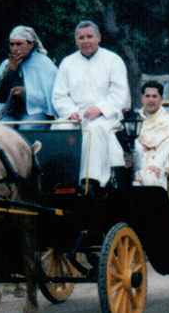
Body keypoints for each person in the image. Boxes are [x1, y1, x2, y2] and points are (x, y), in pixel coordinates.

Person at [52, 21, 131, 188]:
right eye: (81, 38)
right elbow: (59, 95)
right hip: (77, 114)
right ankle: (61, 180)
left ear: (99, 38)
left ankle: (91, 180)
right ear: (76, 41)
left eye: (89, 36)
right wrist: (70, 111)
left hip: (106, 114)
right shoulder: (67, 63)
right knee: (59, 129)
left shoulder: (113, 60)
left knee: (94, 129)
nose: (85, 41)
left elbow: (119, 93)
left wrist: (101, 109)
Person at [0, 25, 58, 123]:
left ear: (31, 45)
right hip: (10, 112)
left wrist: (25, 94)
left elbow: (52, 96)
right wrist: (10, 70)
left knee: (26, 128)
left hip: (37, 112)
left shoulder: (44, 64)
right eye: (12, 44)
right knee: (1, 130)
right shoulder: (7, 64)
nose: (15, 48)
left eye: (19, 44)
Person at [133, 80, 169, 197]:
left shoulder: (166, 120)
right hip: (137, 161)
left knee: (153, 181)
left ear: (161, 99)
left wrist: (155, 164)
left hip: (158, 163)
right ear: (142, 98)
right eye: (147, 96)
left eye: (155, 96)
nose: (151, 100)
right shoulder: (135, 120)